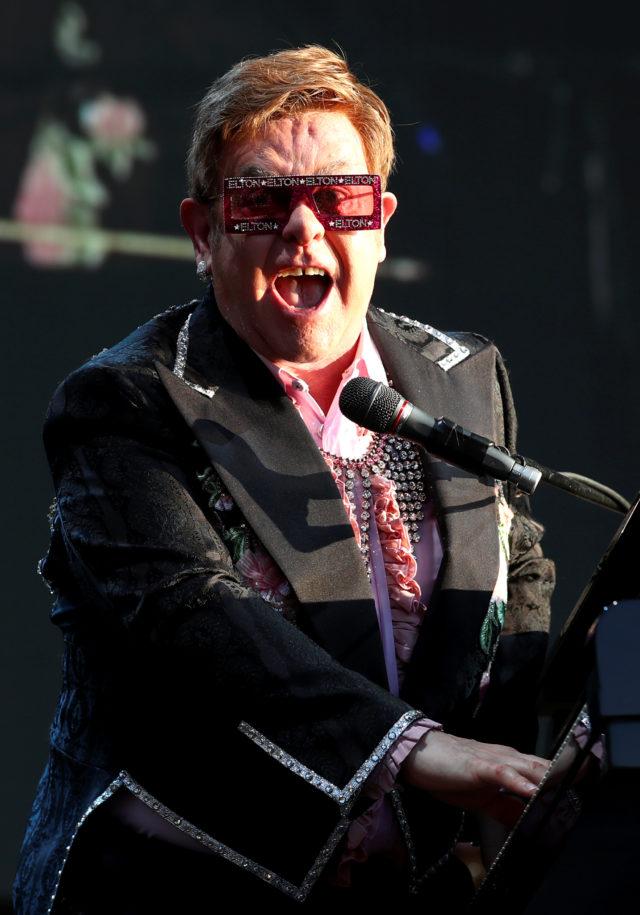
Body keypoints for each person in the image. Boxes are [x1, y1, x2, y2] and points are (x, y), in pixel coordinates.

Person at [14, 45, 555, 914]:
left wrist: (538, 756)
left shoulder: (465, 376)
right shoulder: (124, 403)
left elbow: (515, 569)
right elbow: (194, 617)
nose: (305, 228)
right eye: (263, 202)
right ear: (203, 233)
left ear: (380, 220)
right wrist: (416, 748)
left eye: (339, 199)